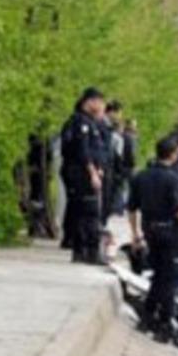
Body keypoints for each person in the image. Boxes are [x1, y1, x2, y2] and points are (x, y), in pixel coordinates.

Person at [127, 136, 178, 342]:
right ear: (174, 154)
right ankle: (165, 323)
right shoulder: (173, 178)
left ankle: (148, 316)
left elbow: (132, 209)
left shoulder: (140, 177)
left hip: (149, 230)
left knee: (159, 274)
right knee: (169, 278)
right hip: (170, 232)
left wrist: (135, 234)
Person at [60, 87, 106, 265]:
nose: (101, 106)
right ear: (90, 102)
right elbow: (83, 150)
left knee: (84, 211)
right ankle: (89, 250)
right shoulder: (81, 122)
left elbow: (97, 150)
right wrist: (93, 172)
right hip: (80, 173)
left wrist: (99, 167)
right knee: (89, 211)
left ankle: (82, 251)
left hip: (87, 171)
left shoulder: (91, 122)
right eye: (99, 102)